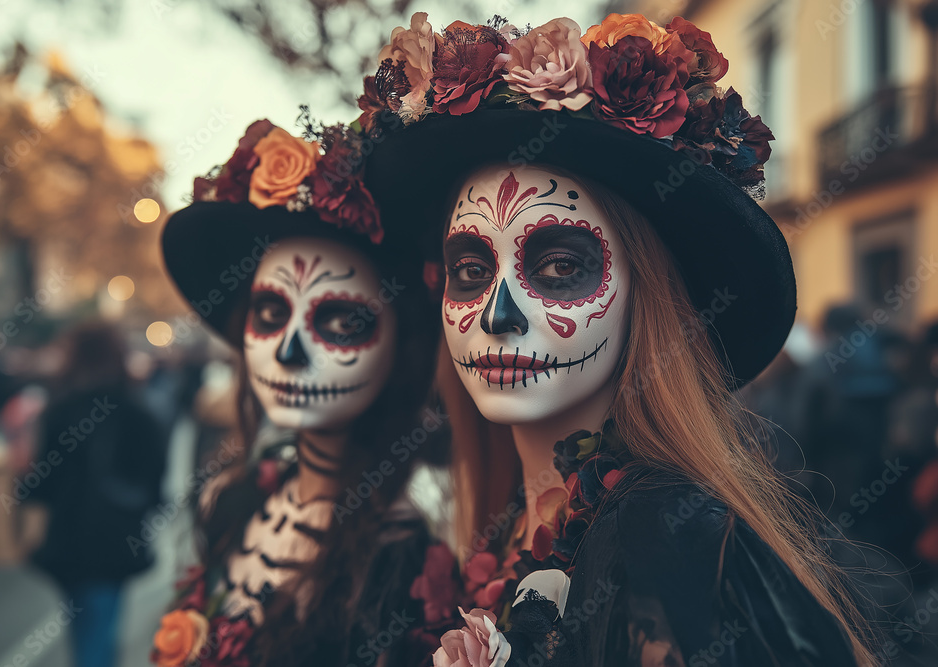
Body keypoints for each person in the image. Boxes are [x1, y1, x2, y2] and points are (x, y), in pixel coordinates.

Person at [359, 12, 877, 666]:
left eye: (559, 266)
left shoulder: (669, 541)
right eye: (470, 270)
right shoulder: (508, 522)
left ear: (645, 295)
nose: (497, 315)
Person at [154, 117, 442, 666]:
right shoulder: (231, 500)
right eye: (270, 313)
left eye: (340, 322)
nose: (288, 352)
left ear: (400, 347)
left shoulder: (405, 550)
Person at [27, 321, 166, 667]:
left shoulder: (60, 410)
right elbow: (154, 485)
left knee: (84, 628)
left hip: (68, 541)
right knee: (100, 629)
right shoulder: (139, 413)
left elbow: (43, 483)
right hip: (115, 541)